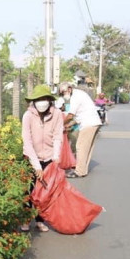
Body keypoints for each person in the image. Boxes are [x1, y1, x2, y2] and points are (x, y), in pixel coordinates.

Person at [21, 84, 63, 232]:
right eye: (38, 99)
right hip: (32, 158)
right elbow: (27, 141)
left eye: (45, 98)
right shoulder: (28, 116)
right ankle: (26, 219)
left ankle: (40, 220)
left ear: (50, 100)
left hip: (49, 158)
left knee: (44, 192)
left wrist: (56, 157)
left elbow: (58, 136)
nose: (42, 102)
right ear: (33, 101)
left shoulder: (57, 114)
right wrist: (36, 166)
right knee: (29, 190)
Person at [58, 82, 102, 178]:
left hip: (88, 124)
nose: (63, 95)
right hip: (93, 122)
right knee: (87, 148)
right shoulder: (79, 94)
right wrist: (68, 125)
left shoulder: (75, 97)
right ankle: (83, 169)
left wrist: (60, 124)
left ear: (69, 89)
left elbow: (70, 115)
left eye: (63, 92)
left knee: (80, 146)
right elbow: (77, 118)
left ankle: (79, 171)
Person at [55, 97, 76, 170]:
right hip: (62, 134)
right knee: (64, 149)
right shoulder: (63, 114)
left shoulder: (55, 114)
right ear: (62, 105)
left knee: (59, 148)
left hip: (60, 133)